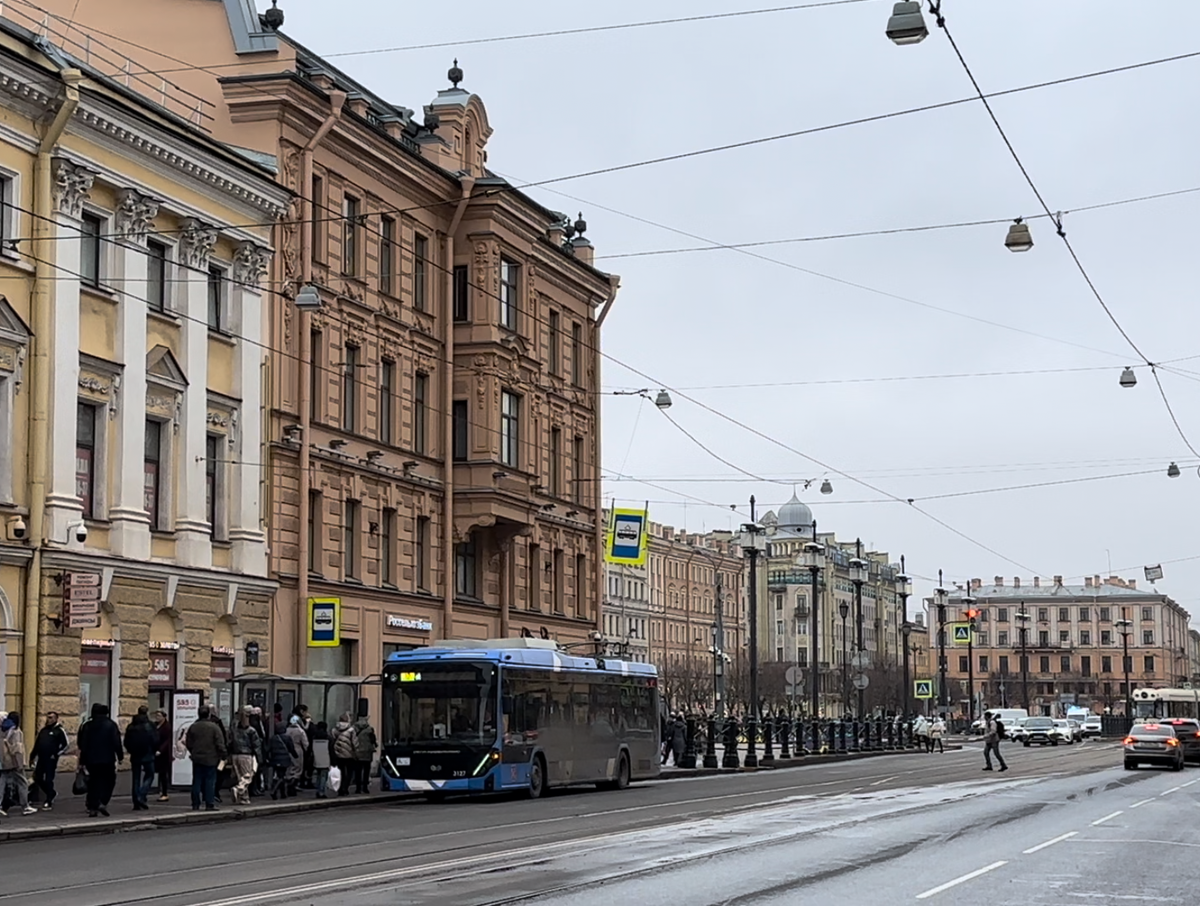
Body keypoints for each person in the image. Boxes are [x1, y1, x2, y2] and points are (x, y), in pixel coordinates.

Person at [77, 703, 123, 817]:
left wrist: (82, 760)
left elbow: (82, 743)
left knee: (93, 782)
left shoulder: (87, 725)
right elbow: (116, 742)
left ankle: (93, 806)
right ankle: (102, 801)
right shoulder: (111, 725)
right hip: (107, 758)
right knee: (109, 781)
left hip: (91, 759)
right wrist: (120, 756)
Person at [185, 705, 228, 811]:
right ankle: (209, 803)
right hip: (211, 758)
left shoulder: (193, 726)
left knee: (196, 781)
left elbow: (188, 743)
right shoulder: (214, 727)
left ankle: (195, 803)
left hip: (197, 758)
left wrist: (193, 752)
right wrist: (224, 755)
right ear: (209, 714)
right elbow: (220, 743)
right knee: (210, 781)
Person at [31, 711, 70, 810]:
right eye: (48, 717)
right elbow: (37, 744)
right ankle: (51, 792)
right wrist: (32, 756)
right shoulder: (43, 730)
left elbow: (66, 745)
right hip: (41, 758)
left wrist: (56, 754)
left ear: (56, 719)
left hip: (51, 759)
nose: (49, 720)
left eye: (51, 718)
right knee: (38, 778)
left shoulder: (59, 730)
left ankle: (48, 800)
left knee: (49, 779)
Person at [1, 711, 35, 816]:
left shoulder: (2, 730)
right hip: (14, 762)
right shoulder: (16, 731)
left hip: (3, 762)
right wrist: (20, 764)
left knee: (2, 783)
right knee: (23, 783)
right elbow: (17, 749)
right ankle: (25, 806)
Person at [123, 707, 158, 810]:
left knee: (136, 778)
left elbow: (126, 741)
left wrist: (131, 751)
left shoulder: (131, 726)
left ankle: (136, 802)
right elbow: (155, 739)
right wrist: (154, 750)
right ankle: (142, 795)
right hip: (148, 754)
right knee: (150, 775)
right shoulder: (150, 725)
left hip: (135, 755)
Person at [227, 708, 261, 806]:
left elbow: (229, 742)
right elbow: (256, 745)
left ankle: (244, 798)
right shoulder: (251, 730)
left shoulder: (234, 730)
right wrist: (260, 758)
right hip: (246, 755)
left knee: (240, 777)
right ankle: (238, 789)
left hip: (235, 755)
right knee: (247, 776)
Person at [267, 722, 297, 799]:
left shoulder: (273, 738)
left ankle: (283, 793)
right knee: (282, 776)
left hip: (275, 759)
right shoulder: (287, 738)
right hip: (284, 759)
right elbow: (291, 748)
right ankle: (274, 791)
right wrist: (295, 755)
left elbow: (268, 749)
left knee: (279, 775)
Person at [331, 712, 356, 797]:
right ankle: (345, 788)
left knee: (340, 772)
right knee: (348, 773)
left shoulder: (334, 730)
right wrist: (355, 752)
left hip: (337, 754)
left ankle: (340, 788)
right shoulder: (351, 730)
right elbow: (354, 742)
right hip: (348, 754)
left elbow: (332, 741)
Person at [351, 713, 377, 794]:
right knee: (366, 771)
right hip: (367, 753)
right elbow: (373, 740)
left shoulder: (354, 729)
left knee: (358, 771)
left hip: (357, 752)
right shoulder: (370, 730)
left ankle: (358, 788)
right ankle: (365, 787)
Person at [284, 715, 308, 796]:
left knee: (290, 768)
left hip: (288, 750)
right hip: (298, 750)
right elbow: (305, 743)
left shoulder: (287, 730)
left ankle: (288, 783)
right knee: (298, 769)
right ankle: (293, 786)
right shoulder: (300, 731)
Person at [152, 710, 173, 801]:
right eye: (156, 716)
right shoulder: (155, 725)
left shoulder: (167, 727)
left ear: (164, 717)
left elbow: (167, 740)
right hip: (155, 751)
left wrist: (161, 750)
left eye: (159, 716)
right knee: (157, 772)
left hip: (163, 754)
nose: (157, 717)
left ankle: (164, 792)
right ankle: (160, 790)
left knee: (163, 773)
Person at [311, 722, 331, 798]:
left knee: (318, 775)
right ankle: (321, 792)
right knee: (323, 776)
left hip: (316, 758)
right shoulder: (328, 737)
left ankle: (318, 790)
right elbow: (331, 749)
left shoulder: (314, 737)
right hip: (325, 758)